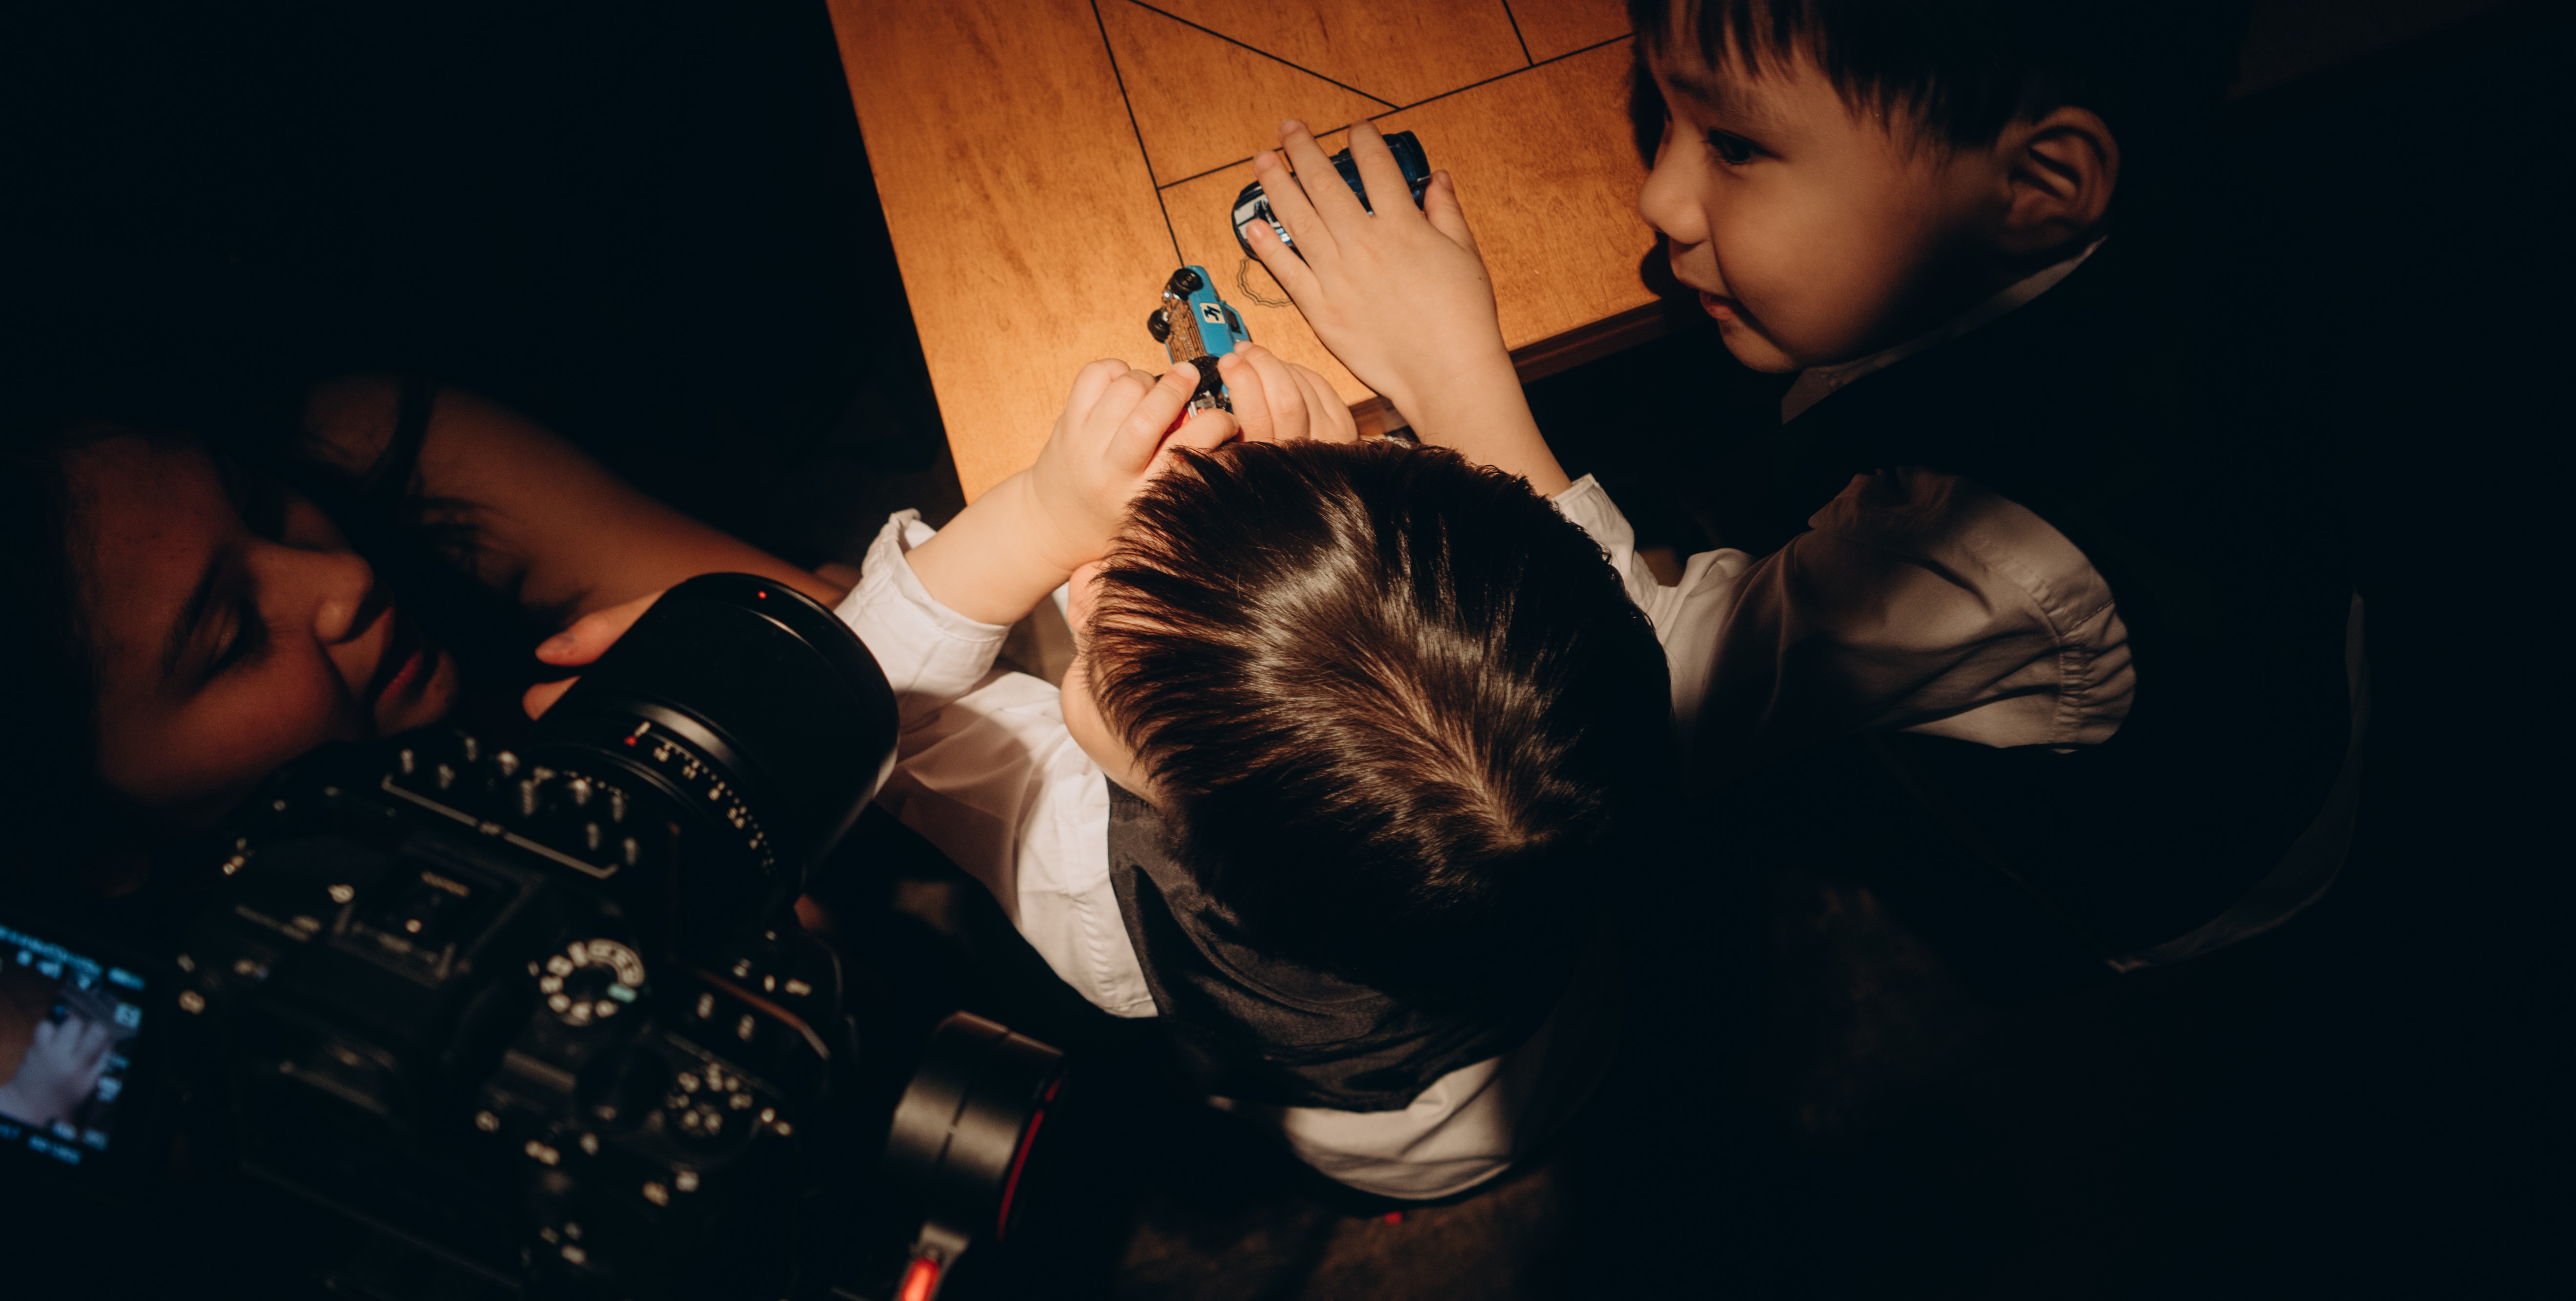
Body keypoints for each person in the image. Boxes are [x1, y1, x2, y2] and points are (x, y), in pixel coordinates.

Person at [1240, 0, 2365, 986]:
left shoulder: (1993, 543)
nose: (1660, 200)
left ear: (2038, 185)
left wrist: (1452, 374)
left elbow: (1643, 703)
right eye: (1662, 109)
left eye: (1733, 143)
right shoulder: (2137, 202)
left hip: (2156, 869)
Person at [537, 344, 1673, 1200]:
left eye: (1100, 670)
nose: (1091, 589)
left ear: (1185, 827)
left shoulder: (1096, 892)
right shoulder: (1560, 764)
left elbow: (878, 718)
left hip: (1380, 1143)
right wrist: (1324, 498)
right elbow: (1430, 639)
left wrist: (1045, 516)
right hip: (1556, 1032)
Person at [0, 374, 847, 900]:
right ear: (104, 854)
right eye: (235, 636)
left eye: (260, 507)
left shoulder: (370, 454)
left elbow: (853, 663)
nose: (346, 581)